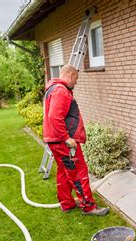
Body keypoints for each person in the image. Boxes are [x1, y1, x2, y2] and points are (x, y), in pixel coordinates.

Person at [42, 64, 108, 216]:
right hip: (64, 142)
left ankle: (66, 203)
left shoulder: (53, 89)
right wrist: (66, 138)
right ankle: (88, 206)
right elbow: (54, 117)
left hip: (54, 140)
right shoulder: (61, 91)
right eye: (76, 78)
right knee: (78, 172)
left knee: (64, 171)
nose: (76, 82)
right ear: (70, 75)